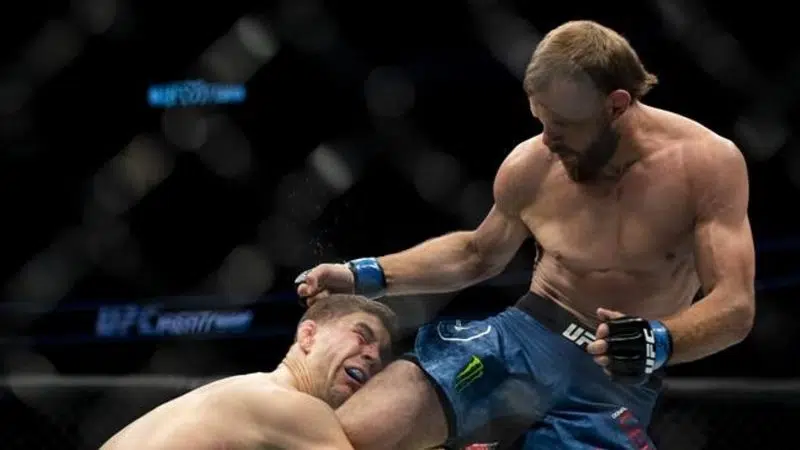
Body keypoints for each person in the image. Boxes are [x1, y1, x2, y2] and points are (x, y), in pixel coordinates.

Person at [295, 20, 756, 450]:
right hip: (522, 337)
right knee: (351, 434)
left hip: (613, 380)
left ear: (616, 105)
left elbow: (735, 306)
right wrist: (363, 274)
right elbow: (476, 254)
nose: (548, 138)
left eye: (563, 125)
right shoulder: (532, 165)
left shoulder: (704, 165)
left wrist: (661, 339)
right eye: (541, 119)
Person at [100, 294, 397, 450]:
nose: (373, 357)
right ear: (308, 336)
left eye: (382, 354)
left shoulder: (243, 392)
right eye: (362, 336)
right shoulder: (292, 406)